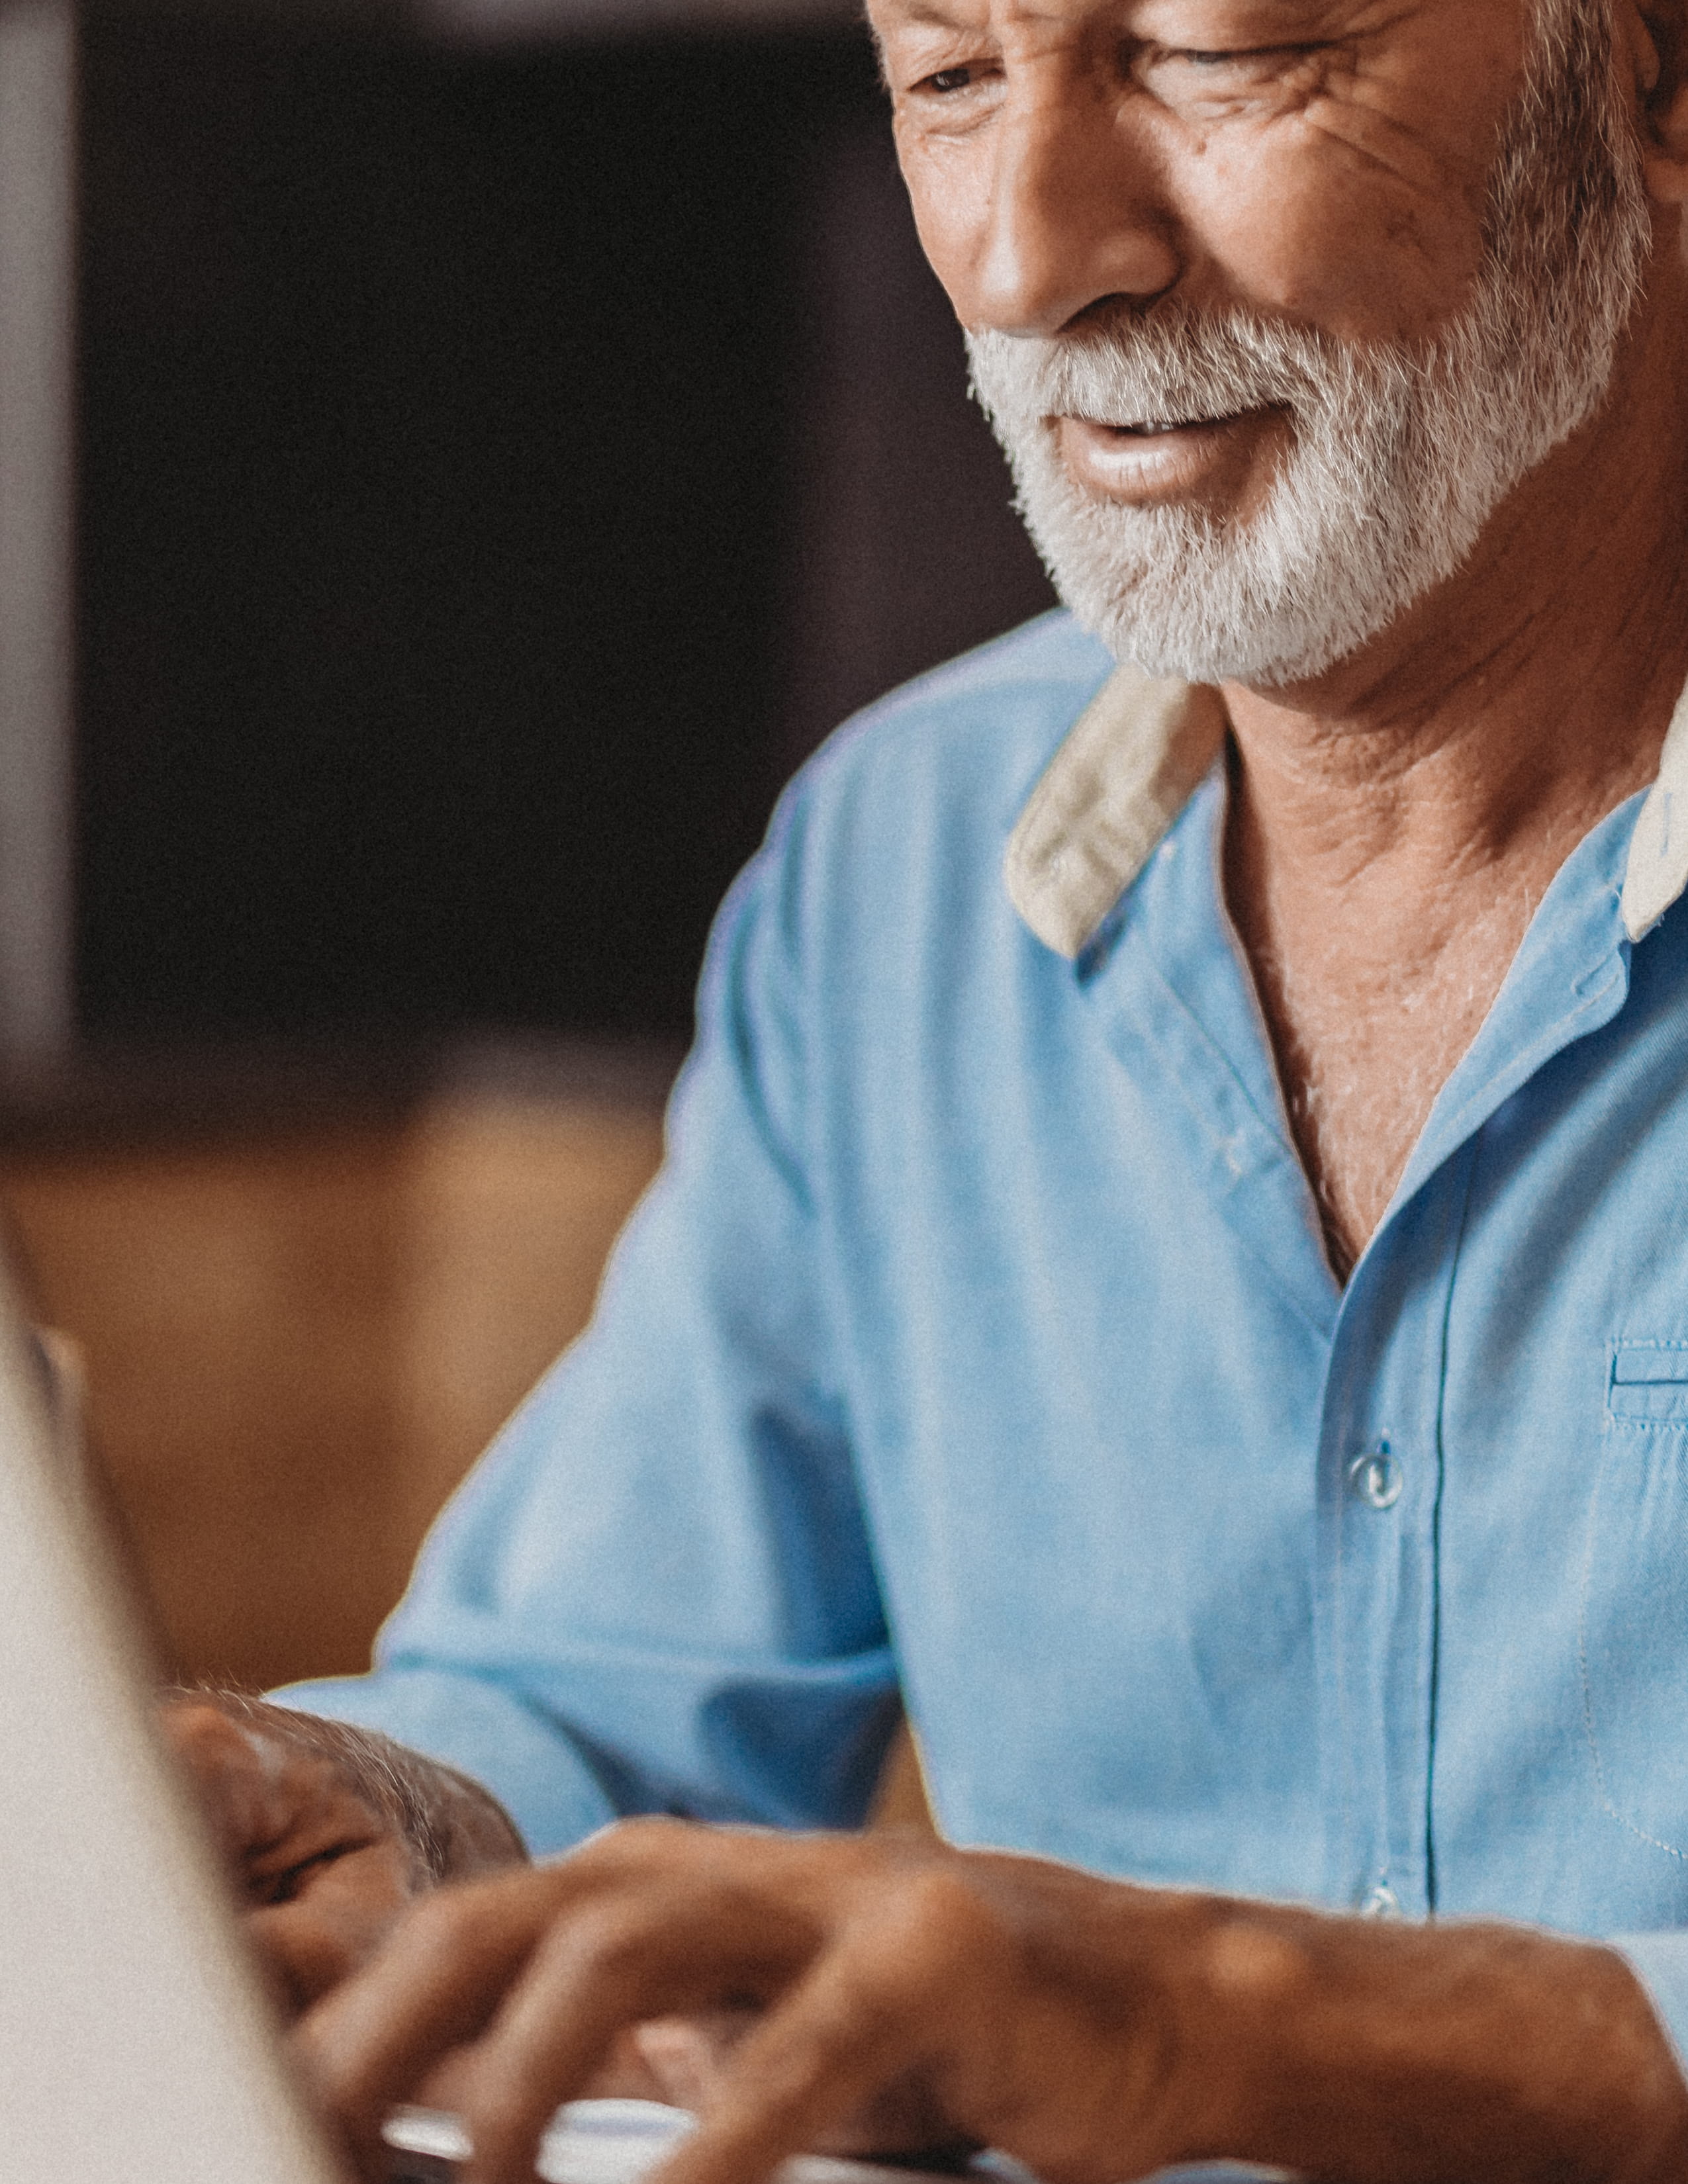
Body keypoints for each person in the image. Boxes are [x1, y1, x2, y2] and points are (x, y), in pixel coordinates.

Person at [165, 0, 1688, 2175]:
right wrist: (364, 1814)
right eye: (953, 73)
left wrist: (1246, 2023)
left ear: (1653, 77)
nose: (1028, 257)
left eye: (1209, 49)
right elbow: (606, 1697)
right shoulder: (898, 868)